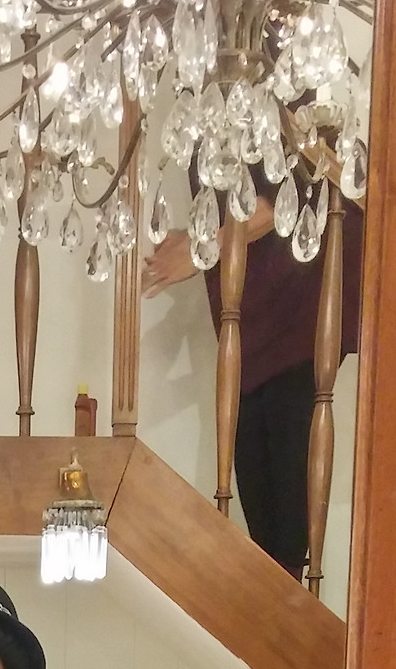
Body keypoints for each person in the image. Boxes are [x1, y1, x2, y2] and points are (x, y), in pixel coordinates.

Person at [143, 177, 363, 579]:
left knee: (283, 523)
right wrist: (194, 239)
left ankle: (288, 606)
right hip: (251, 319)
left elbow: (283, 195)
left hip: (299, 305)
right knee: (264, 522)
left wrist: (199, 248)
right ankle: (278, 602)